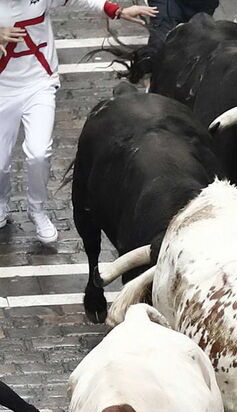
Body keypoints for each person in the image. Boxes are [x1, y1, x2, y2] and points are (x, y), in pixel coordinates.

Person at [0, 0, 155, 244]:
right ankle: (1, 202)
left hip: (39, 84)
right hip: (3, 88)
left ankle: (37, 210)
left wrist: (118, 11)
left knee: (39, 153)